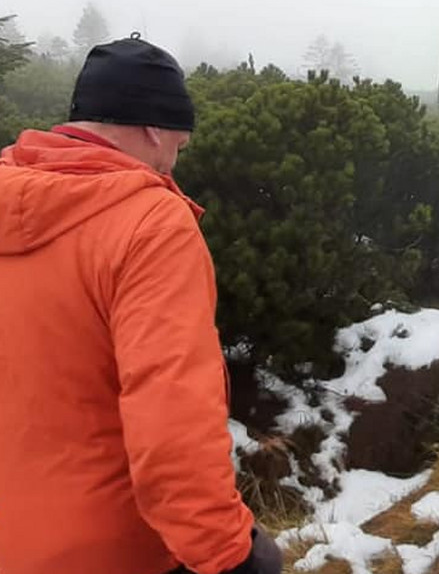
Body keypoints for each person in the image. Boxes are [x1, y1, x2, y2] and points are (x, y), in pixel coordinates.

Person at [0, 36, 281, 574]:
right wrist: (228, 554)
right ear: (153, 127)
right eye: (179, 142)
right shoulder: (150, 224)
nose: (174, 160)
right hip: (109, 550)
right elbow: (171, 421)